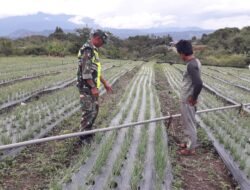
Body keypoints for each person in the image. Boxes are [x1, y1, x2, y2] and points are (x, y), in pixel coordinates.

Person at [76, 29, 112, 140]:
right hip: (87, 88)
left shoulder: (93, 50)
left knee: (94, 110)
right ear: (97, 38)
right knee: (88, 112)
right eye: (103, 42)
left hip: (92, 87)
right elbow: (86, 72)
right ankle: (83, 137)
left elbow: (95, 71)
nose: (103, 45)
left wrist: (105, 83)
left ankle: (88, 131)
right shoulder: (87, 49)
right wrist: (92, 87)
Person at [175, 40, 203, 155]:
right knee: (188, 122)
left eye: (179, 53)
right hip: (187, 98)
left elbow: (199, 83)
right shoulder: (195, 61)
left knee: (189, 124)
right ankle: (188, 143)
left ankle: (190, 149)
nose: (179, 56)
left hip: (188, 100)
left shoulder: (191, 65)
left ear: (182, 53)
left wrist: (193, 97)